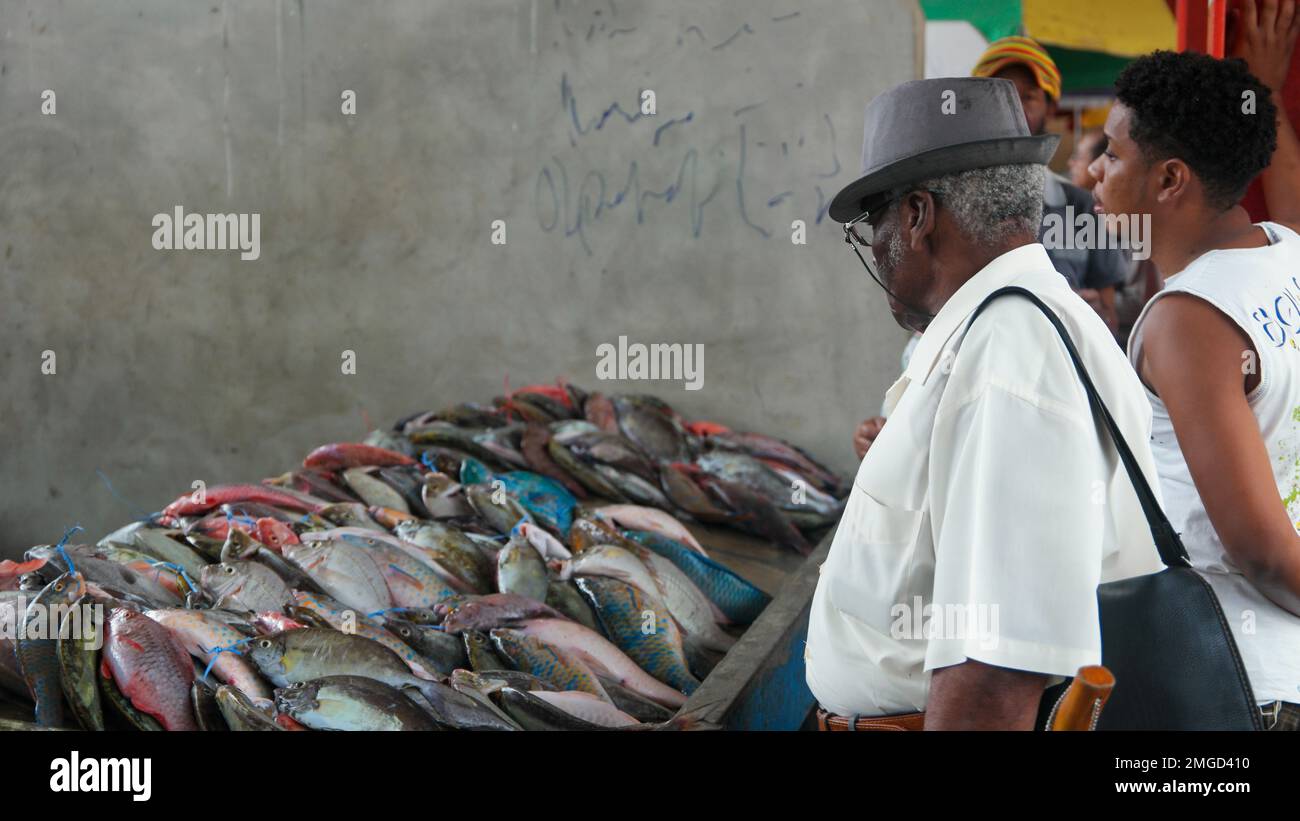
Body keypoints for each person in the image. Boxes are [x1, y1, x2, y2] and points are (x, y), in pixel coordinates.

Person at [809, 76, 1164, 730]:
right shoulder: (1001, 333)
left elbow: (995, 674)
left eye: (873, 228)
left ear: (917, 216)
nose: (877, 252)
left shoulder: (1008, 357)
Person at [1090, 3, 1300, 731]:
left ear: (1170, 178)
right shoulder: (1285, 251)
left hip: (1237, 688)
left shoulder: (1191, 319)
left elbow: (1265, 554)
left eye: (1113, 154)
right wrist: (1266, 87)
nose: (1091, 172)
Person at [973, 36, 1129, 334]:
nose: (1013, 107)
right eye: (999, 94)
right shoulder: (949, 202)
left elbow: (1108, 317)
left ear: (1052, 108)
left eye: (1028, 96)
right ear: (974, 106)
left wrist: (1094, 313)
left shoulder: (1081, 207)